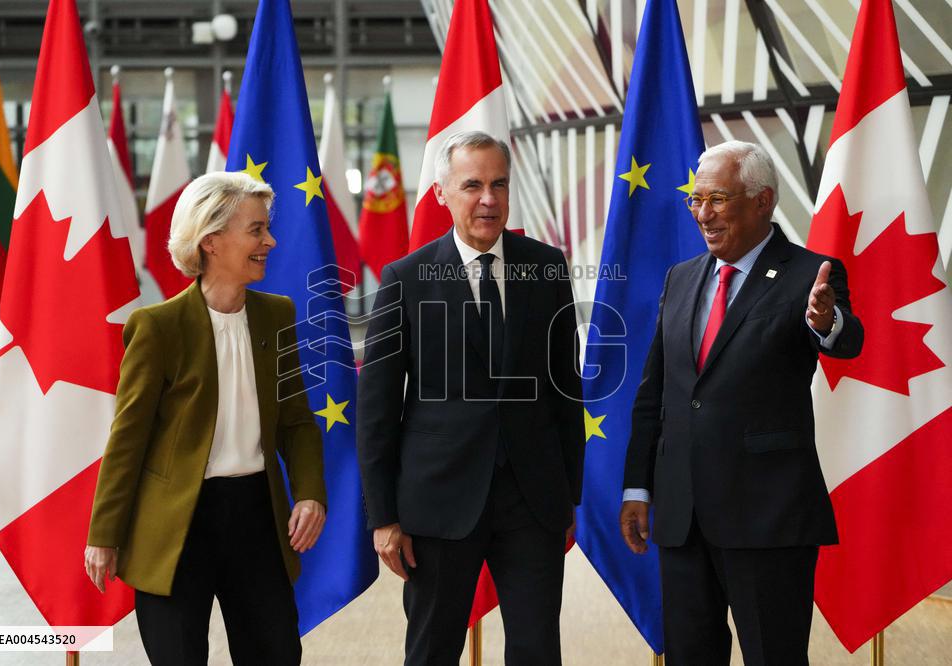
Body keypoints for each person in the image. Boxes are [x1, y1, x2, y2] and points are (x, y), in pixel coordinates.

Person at [619, 140, 864, 665]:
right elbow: (654, 392)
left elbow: (848, 339)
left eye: (718, 200)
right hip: (683, 516)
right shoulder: (681, 278)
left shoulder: (809, 275)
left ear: (762, 200)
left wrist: (825, 322)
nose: (703, 214)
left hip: (767, 517)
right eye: (696, 199)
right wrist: (637, 486)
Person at [356, 131, 584, 666]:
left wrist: (567, 495)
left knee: (536, 649)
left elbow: (564, 391)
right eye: (473, 185)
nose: (489, 198)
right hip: (437, 503)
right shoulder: (405, 279)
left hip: (533, 502)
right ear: (442, 192)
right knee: (433, 649)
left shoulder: (546, 267)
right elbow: (378, 409)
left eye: (499, 184)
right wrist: (383, 515)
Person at [84, 171, 327, 665]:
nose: (270, 241)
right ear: (212, 242)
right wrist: (103, 534)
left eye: (267, 228)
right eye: (256, 229)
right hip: (176, 526)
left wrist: (309, 492)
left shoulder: (276, 314)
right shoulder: (157, 328)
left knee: (276, 654)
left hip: (257, 517)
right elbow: (127, 439)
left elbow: (297, 420)